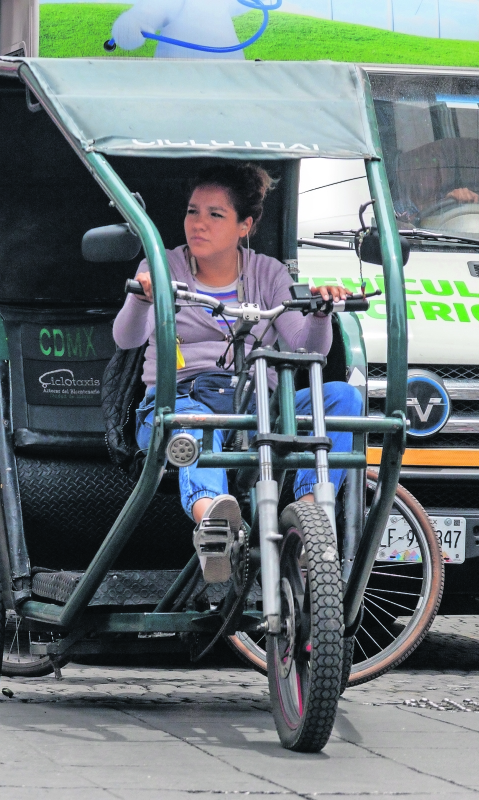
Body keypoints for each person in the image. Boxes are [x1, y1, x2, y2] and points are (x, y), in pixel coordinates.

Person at [113, 163, 360, 584]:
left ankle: (310, 523)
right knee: (198, 423)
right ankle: (213, 524)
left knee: (343, 398)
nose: (198, 224)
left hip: (257, 408)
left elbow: (308, 350)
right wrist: (141, 296)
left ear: (244, 225)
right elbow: (127, 338)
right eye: (193, 212)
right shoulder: (164, 265)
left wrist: (320, 313)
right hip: (179, 404)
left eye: (215, 214)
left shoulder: (268, 272)